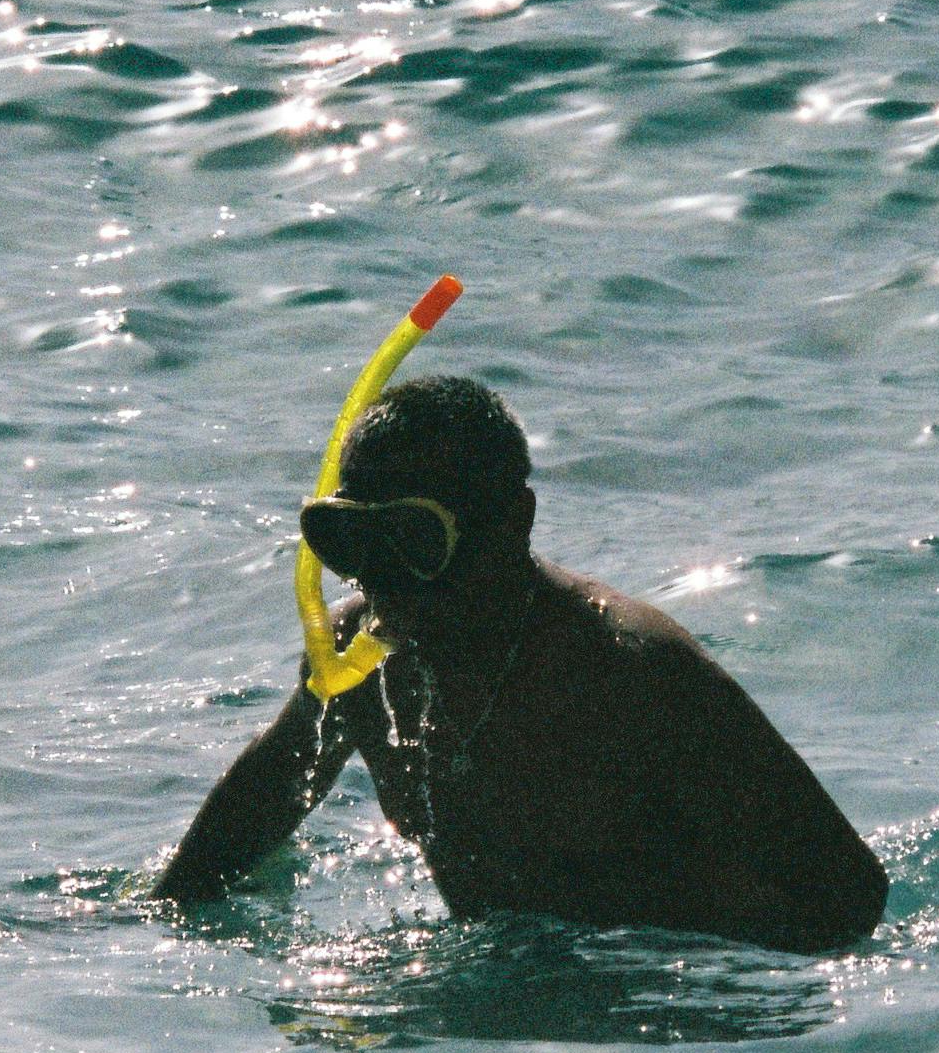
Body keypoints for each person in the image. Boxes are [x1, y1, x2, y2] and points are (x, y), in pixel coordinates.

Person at [157, 375, 890, 952]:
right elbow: (261, 803)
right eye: (355, 545)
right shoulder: (365, 660)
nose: (388, 585)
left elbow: (849, 895)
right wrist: (152, 919)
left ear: (515, 523)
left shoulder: (629, 670)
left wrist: (672, 1002)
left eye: (416, 544)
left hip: (655, 1019)